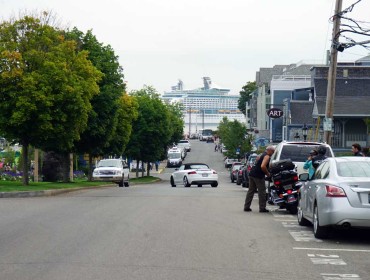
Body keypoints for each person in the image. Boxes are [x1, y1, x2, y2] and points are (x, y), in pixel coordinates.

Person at [244, 145, 275, 213]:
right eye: (273, 151)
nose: (273, 153)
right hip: (258, 175)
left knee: (251, 191)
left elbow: (259, 162)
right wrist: (268, 174)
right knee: (262, 192)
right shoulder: (267, 156)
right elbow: (263, 166)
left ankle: (246, 207)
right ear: (269, 150)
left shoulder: (262, 155)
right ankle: (262, 208)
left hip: (252, 173)